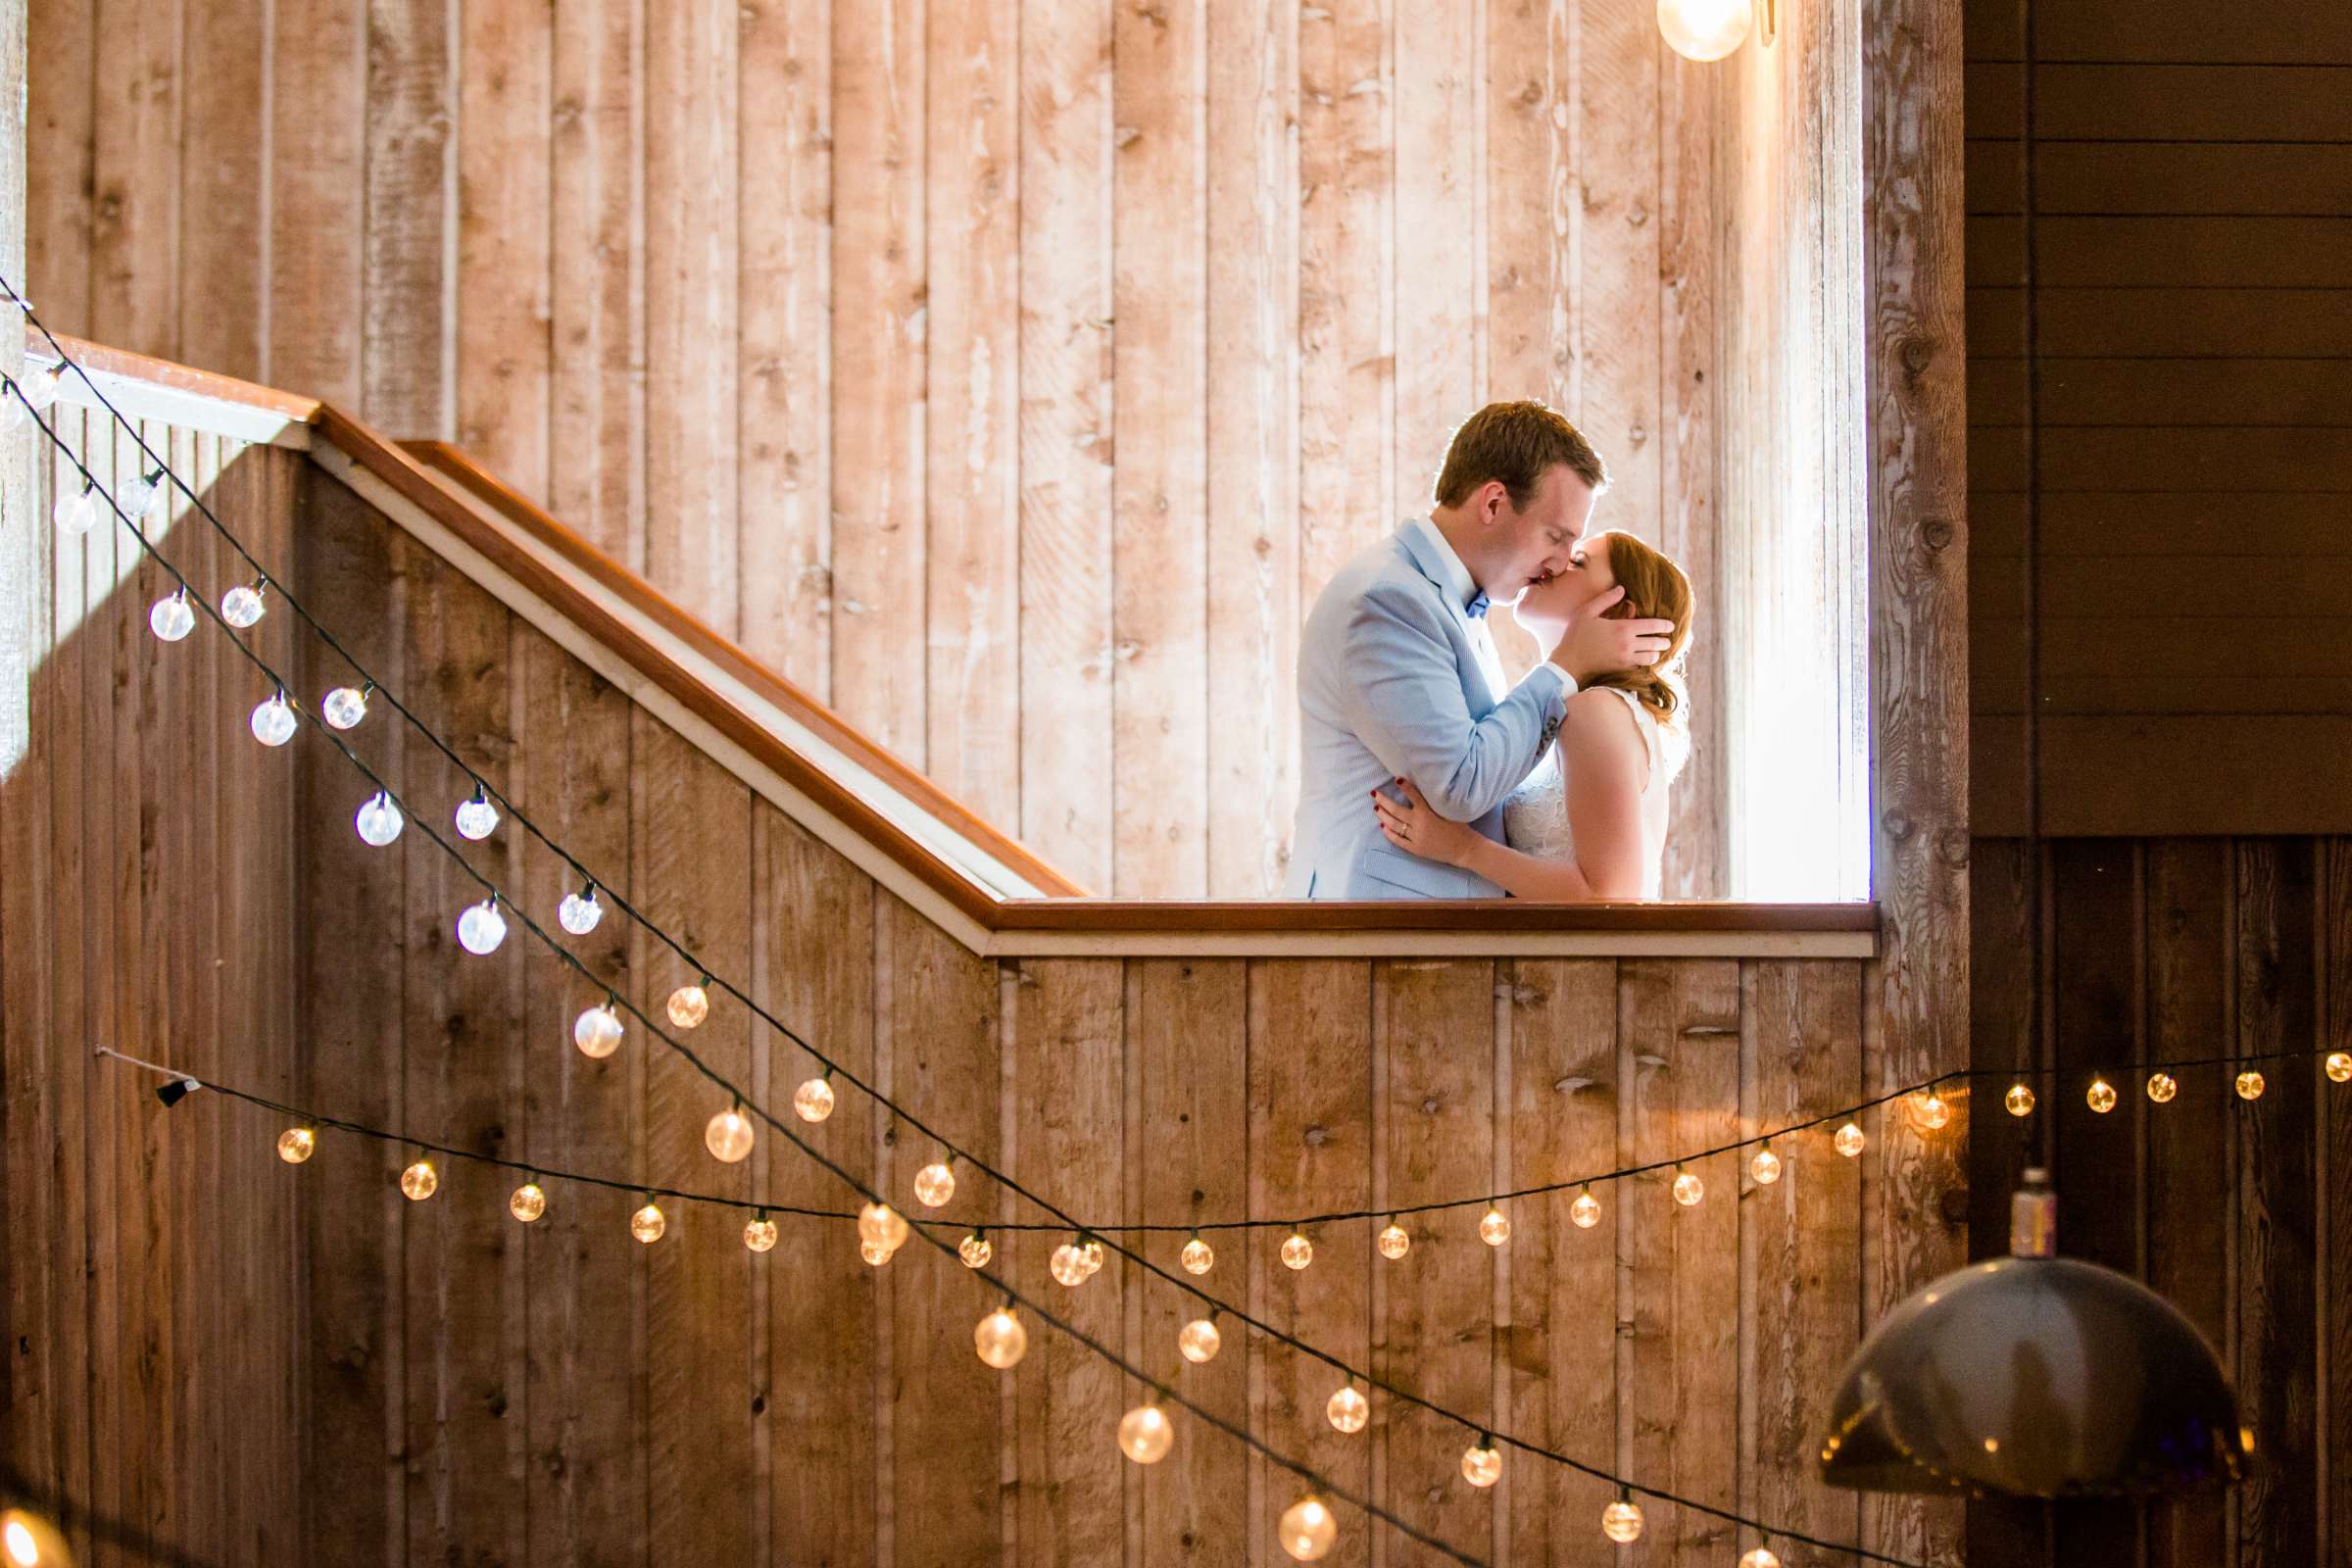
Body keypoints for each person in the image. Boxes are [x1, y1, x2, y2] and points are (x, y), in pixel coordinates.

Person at [1282, 402, 1673, 899]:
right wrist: (1566, 666)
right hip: (1378, 933)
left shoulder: (1457, 605)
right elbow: (1461, 784)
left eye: (1573, 555)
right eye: (1556, 537)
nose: (1556, 563)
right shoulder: (1389, 601)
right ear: (1492, 504)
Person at [1371, 530, 1694, 900]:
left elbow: (1609, 895)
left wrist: (1462, 849)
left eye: (1577, 563)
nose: (1554, 566)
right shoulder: (1581, 710)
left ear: (1619, 612)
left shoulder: (1595, 713)